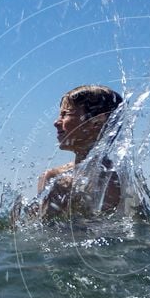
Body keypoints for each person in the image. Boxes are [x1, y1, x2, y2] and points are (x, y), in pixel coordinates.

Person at [36, 85, 124, 220]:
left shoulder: (111, 180)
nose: (56, 122)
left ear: (96, 123)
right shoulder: (53, 177)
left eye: (66, 114)